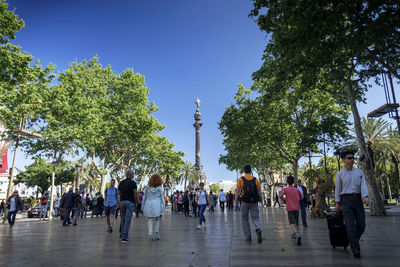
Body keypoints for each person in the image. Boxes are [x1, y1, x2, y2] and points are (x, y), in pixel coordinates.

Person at [335, 151, 369, 258]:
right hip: (346, 200)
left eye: (353, 158)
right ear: (343, 160)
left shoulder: (359, 172)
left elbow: (363, 185)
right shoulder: (339, 174)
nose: (352, 160)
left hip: (358, 199)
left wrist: (365, 196)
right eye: (349, 158)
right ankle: (356, 250)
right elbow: (338, 189)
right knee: (350, 226)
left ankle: (352, 240)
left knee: (361, 225)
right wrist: (337, 203)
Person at [235, 165, 263, 243]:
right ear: (251, 171)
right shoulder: (255, 179)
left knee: (245, 219)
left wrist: (236, 202)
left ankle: (248, 236)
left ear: (244, 171)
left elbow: (237, 191)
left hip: (245, 201)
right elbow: (259, 191)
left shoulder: (241, 179)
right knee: (255, 218)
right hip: (254, 201)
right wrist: (261, 199)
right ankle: (258, 229)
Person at [279, 175, 303, 246]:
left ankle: (297, 235)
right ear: (293, 182)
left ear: (287, 181)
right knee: (295, 222)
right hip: (297, 208)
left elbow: (280, 195)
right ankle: (293, 235)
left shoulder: (285, 189)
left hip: (290, 208)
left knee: (292, 223)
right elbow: (301, 197)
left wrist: (283, 199)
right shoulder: (296, 189)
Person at [142, 174, 165, 241]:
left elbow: (144, 197)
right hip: (157, 205)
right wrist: (163, 206)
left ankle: (150, 235)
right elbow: (162, 198)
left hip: (148, 204)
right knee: (157, 219)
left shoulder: (147, 187)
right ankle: (157, 233)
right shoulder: (160, 188)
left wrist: (142, 206)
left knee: (150, 220)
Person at [118, 169, 138, 244]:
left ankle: (122, 233)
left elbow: (118, 192)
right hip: (130, 202)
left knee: (123, 219)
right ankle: (124, 237)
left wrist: (124, 193)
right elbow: (135, 193)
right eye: (133, 174)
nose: (133, 175)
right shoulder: (133, 183)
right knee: (127, 220)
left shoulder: (121, 182)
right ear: (130, 175)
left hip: (122, 202)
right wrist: (136, 202)